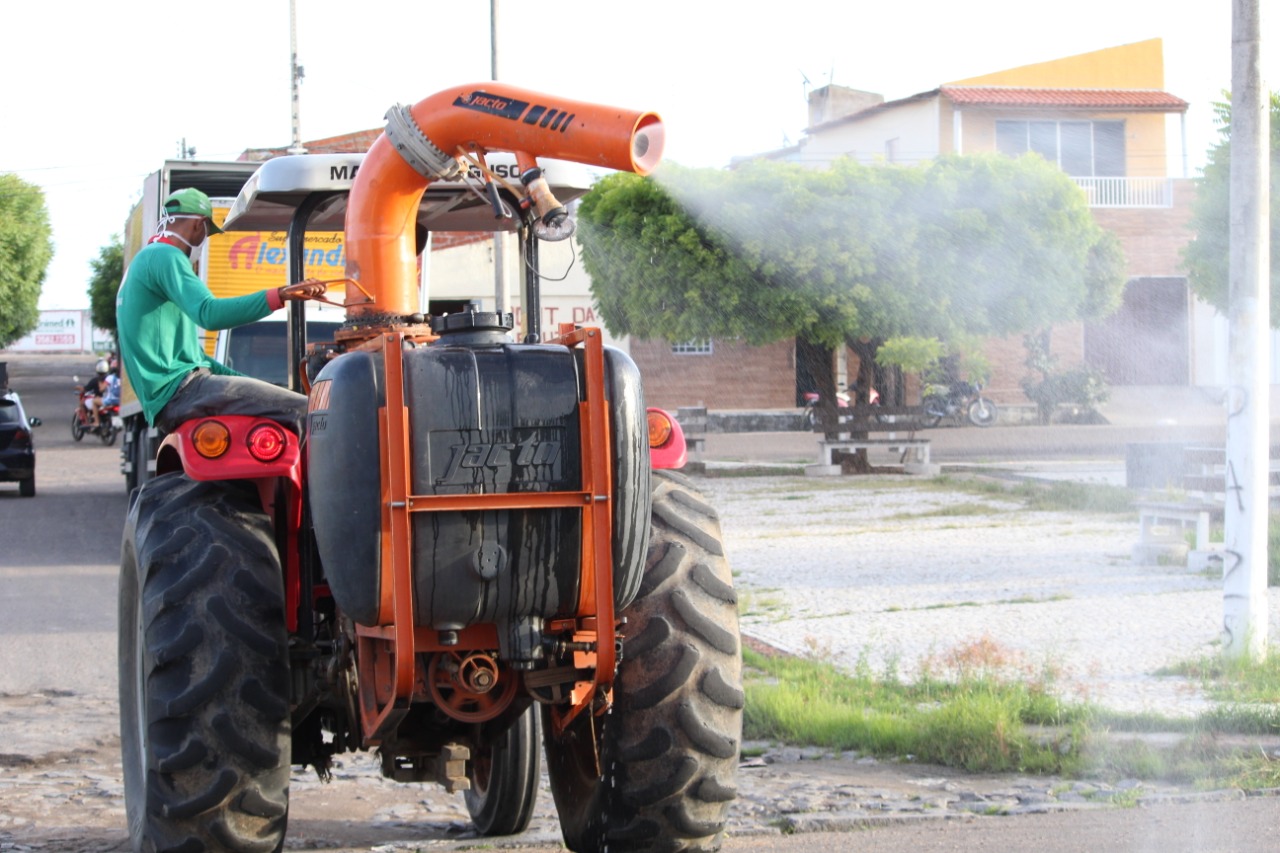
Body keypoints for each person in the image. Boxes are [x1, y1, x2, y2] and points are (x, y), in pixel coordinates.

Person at [116, 187, 328, 436]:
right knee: (310, 412)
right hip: (182, 391)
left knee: (286, 404)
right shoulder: (167, 256)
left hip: (174, 396)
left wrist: (254, 386)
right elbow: (210, 313)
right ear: (200, 226)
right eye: (206, 233)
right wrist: (279, 295)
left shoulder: (146, 260)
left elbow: (201, 361)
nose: (203, 241)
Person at [78, 359, 111, 428]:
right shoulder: (111, 378)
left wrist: (76, 387)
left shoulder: (96, 380)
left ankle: (89, 423)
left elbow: (85, 389)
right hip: (112, 399)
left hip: (102, 400)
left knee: (83, 403)